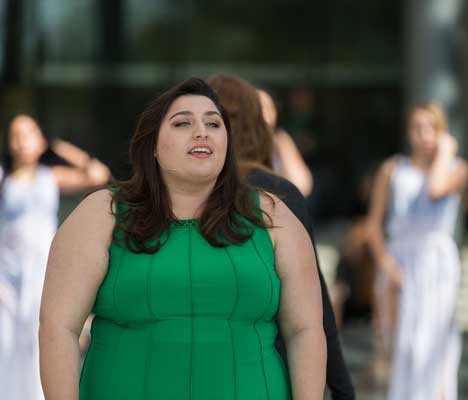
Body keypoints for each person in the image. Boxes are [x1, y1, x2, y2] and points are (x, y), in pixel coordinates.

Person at [39, 78, 326, 400]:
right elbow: (58, 328)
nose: (201, 131)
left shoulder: (275, 217)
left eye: (214, 123)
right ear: (153, 147)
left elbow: (306, 331)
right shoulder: (101, 214)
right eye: (182, 122)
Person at [208, 74, 355, 399]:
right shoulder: (275, 195)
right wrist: (343, 389)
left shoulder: (175, 196)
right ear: (256, 127)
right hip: (264, 371)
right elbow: (314, 302)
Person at [0, 114, 110, 400]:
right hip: (8, 275)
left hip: (43, 272)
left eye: (30, 134)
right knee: (8, 343)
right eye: (17, 135)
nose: (23, 142)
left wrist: (59, 147)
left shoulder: (51, 177)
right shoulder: (5, 179)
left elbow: (97, 174)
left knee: (42, 339)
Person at [366, 102, 468, 400]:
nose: (425, 135)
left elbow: (436, 188)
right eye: (417, 128)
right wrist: (387, 266)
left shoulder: (458, 168)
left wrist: (446, 149)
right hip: (399, 261)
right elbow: (373, 225)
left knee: (436, 347)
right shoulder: (392, 169)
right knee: (401, 347)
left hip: (437, 264)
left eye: (432, 128)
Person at [257, 88, 313, 197]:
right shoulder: (231, 139)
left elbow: (301, 186)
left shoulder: (280, 139)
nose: (263, 113)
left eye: (267, 107)